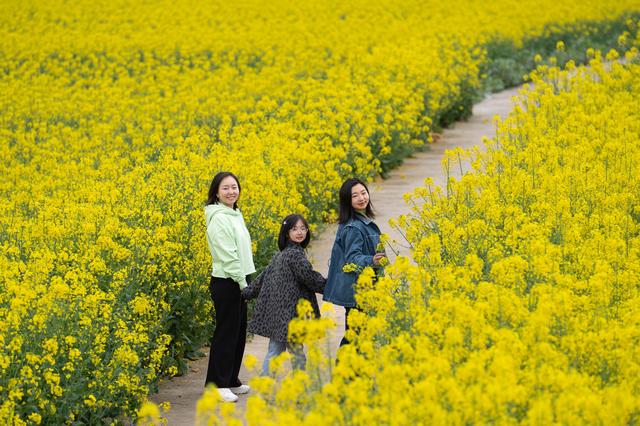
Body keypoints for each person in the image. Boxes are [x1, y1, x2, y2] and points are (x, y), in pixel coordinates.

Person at [242, 214, 326, 375]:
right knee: (296, 353)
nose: (300, 232)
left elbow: (261, 278)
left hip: (278, 313)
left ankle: (266, 385)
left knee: (275, 350)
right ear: (286, 232)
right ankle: (298, 386)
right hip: (291, 314)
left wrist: (247, 293)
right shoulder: (295, 255)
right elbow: (309, 277)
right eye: (294, 229)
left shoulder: (280, 254)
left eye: (303, 228)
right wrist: (330, 286)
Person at [204, 172, 256, 403]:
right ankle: (216, 384)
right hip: (227, 281)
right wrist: (243, 284)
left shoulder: (234, 213)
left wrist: (246, 279)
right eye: (225, 188)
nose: (231, 192)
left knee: (238, 332)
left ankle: (230, 379)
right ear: (216, 192)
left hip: (240, 278)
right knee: (226, 333)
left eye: (234, 187)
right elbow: (228, 255)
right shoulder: (218, 218)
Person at [324, 178, 385, 346]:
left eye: (363, 193)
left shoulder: (361, 223)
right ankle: (345, 370)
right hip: (358, 290)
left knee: (358, 333)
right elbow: (352, 258)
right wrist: (372, 259)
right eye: (355, 196)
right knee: (355, 335)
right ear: (347, 201)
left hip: (362, 289)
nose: (361, 198)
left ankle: (352, 369)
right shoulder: (354, 227)